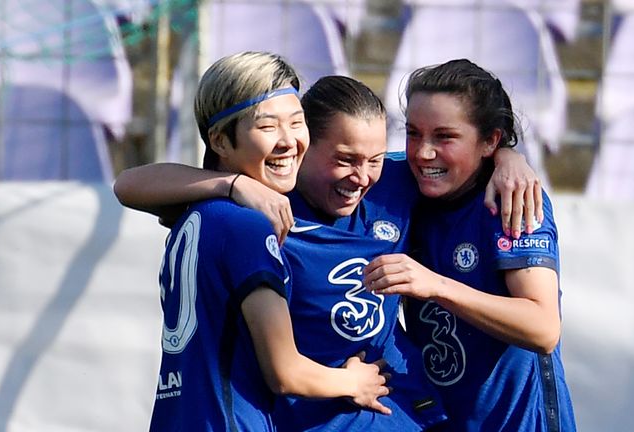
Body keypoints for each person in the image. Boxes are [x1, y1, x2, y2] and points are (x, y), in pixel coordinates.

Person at [114, 64, 544, 430]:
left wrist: (507, 157)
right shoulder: (260, 208)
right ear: (304, 150)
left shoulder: (391, 186)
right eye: (344, 159)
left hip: (403, 412)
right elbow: (130, 184)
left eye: (374, 159)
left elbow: (450, 158)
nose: (361, 176)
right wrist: (235, 184)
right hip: (310, 415)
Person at [138, 51, 392, 432]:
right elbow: (284, 372)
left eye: (296, 122)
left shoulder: (193, 209)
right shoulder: (249, 227)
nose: (288, 142)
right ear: (220, 141)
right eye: (268, 126)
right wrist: (355, 382)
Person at [363, 59, 577, 431]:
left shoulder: (513, 199)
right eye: (413, 133)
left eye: (444, 137)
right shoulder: (397, 182)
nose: (423, 153)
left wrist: (436, 285)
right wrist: (229, 184)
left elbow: (543, 328)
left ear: (490, 141)